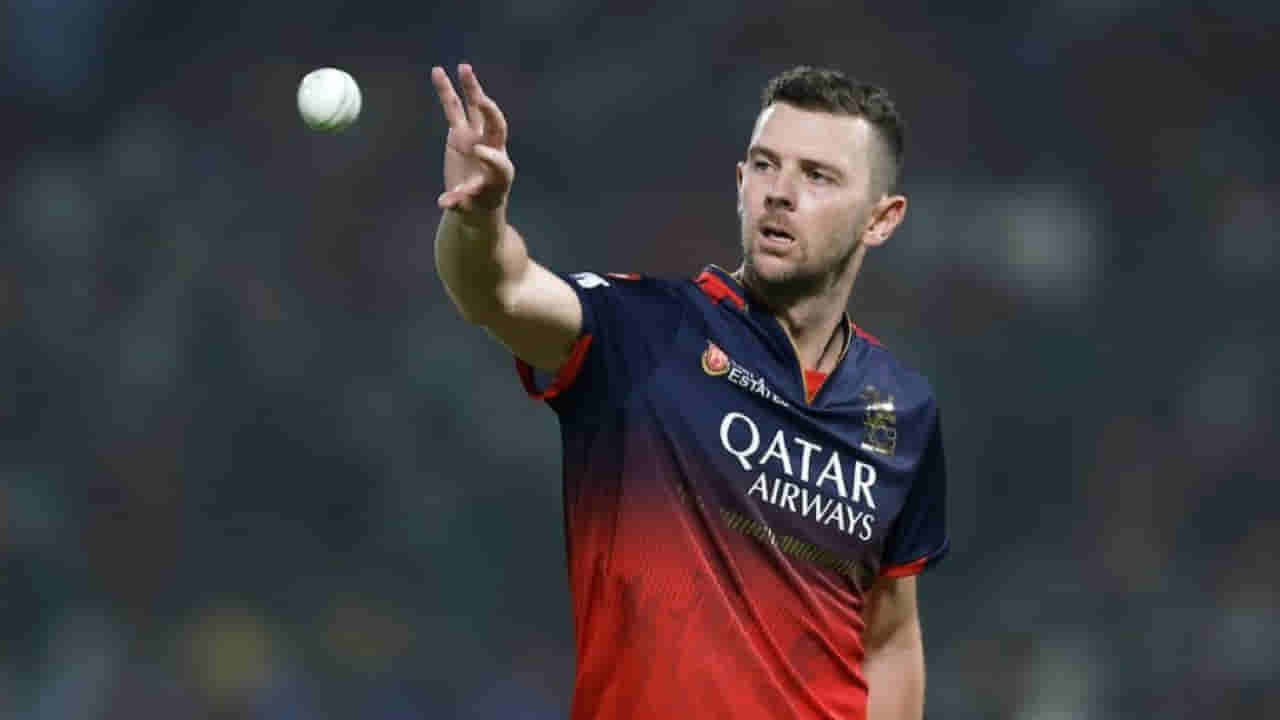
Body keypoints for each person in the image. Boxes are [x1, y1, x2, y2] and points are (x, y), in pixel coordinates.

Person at [432, 62, 948, 720]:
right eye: (765, 166)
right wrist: (477, 221)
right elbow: (499, 290)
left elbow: (889, 637)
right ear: (740, 183)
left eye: (817, 176)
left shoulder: (903, 408)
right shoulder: (644, 332)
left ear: (881, 219)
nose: (779, 193)